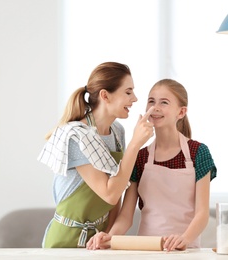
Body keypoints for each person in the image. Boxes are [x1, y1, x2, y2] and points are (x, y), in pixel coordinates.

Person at [86, 79, 217, 251]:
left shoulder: (198, 153)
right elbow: (126, 216)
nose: (155, 107)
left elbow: (202, 214)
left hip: (186, 250)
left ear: (181, 112)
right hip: (148, 249)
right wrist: (110, 236)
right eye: (151, 101)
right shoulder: (140, 157)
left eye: (164, 102)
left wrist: (184, 239)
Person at [37, 61, 155, 248]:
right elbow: (109, 193)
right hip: (64, 240)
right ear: (105, 95)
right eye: (128, 92)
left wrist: (108, 236)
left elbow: (117, 190)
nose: (135, 99)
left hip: (98, 240)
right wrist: (135, 144)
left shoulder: (117, 132)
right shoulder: (76, 136)